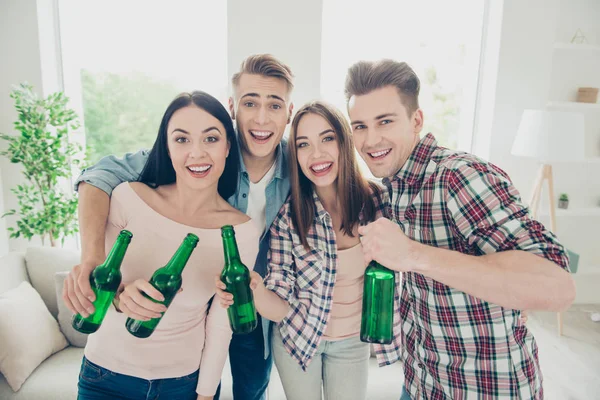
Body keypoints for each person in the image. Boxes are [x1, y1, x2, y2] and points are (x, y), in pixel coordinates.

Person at [62, 54, 294, 400]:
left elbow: (342, 184)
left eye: (274, 105)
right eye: (250, 103)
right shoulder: (186, 154)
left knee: (253, 386)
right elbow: (101, 174)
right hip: (112, 369)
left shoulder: (300, 166)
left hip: (251, 296)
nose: (261, 118)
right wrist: (92, 260)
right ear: (233, 109)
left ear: (289, 112)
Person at [344, 59, 576, 399]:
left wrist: (413, 255)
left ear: (416, 121)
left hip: (486, 390)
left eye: (385, 122)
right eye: (360, 126)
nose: (370, 139)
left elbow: (558, 288)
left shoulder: (458, 177)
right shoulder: (391, 189)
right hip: (421, 383)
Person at [216, 101, 402, 400]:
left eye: (327, 138)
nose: (316, 154)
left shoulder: (379, 202)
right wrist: (256, 291)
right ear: (296, 155)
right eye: (303, 144)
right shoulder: (289, 217)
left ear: (345, 141)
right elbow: (281, 307)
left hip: (353, 342)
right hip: (299, 340)